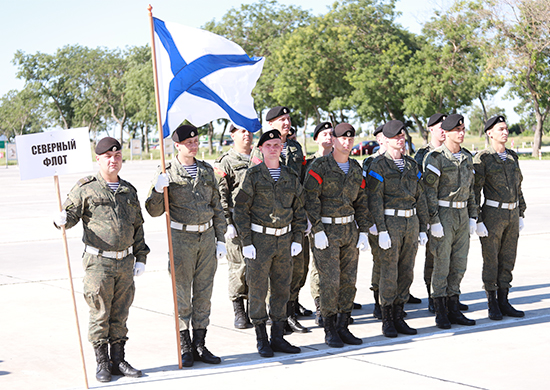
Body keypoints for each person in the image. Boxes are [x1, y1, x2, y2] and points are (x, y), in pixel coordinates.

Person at [54, 137, 149, 382]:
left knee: (121, 312)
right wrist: (61, 219)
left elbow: (137, 226)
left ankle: (118, 360)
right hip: (99, 262)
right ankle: (102, 363)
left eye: (117, 156)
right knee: (100, 312)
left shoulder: (129, 190)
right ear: (98, 159)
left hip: (126, 262)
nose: (113, 160)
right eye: (108, 156)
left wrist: (141, 256)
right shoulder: (86, 187)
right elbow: (71, 216)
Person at [146, 124, 226, 367]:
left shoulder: (205, 170)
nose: (193, 145)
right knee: (181, 294)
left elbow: (217, 206)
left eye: (196, 141)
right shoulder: (166, 170)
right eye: (188, 143)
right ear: (177, 146)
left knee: (204, 292)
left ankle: (200, 343)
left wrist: (221, 238)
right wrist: (159, 190)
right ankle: (185, 345)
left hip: (206, 236)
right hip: (181, 239)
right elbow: (153, 210)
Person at [233, 129, 307, 357]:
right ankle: (261, 339)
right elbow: (240, 210)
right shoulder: (252, 175)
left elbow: (299, 209)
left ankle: (278, 337)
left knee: (282, 290)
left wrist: (297, 237)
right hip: (259, 240)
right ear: (261, 149)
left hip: (284, 241)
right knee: (257, 290)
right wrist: (246, 241)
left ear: (282, 148)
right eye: (269, 145)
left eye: (277, 145)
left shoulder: (290, 176)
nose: (274, 148)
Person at [303, 123, 370, 348]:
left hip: (349, 230)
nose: (347, 142)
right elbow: (310, 199)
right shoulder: (320, 166)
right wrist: (318, 229)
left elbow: (361, 201)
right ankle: (330, 328)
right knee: (330, 282)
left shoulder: (355, 168)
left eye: (350, 139)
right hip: (327, 232)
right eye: (342, 138)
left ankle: (343, 326)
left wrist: (363, 229)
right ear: (333, 140)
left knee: (348, 281)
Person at [366, 121, 429, 337]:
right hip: (390, 223)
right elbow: (374, 200)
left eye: (402, 136)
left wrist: (423, 226)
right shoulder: (378, 165)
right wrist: (381, 229)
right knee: (388, 272)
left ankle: (399, 314)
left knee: (406, 271)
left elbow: (420, 198)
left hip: (410, 222)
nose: (400, 140)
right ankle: (387, 318)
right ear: (386, 140)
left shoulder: (411, 165)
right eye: (395, 137)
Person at [251, 105, 310, 332]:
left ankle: (290, 311)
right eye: (281, 119)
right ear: (270, 124)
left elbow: (302, 183)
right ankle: (276, 317)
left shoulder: (295, 148)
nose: (286, 122)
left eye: (288, 118)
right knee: (273, 272)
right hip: (270, 221)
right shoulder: (261, 150)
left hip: (294, 216)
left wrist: (304, 216)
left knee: (297, 268)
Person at [423, 114, 477, 329]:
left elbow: (471, 190)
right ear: (446, 133)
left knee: (459, 263)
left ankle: (454, 307)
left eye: (463, 129)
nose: (461, 133)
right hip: (443, 214)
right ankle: (441, 310)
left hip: (462, 214)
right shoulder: (436, 158)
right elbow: (429, 193)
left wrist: (473, 216)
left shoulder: (467, 157)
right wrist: (433, 220)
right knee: (441, 263)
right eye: (457, 130)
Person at [474, 115, 527, 320]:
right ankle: (492, 302)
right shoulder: (483, 158)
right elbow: (475, 190)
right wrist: (477, 218)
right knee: (491, 260)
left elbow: (518, 187)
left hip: (512, 214)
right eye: (500, 129)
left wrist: (520, 212)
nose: (505, 132)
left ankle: (504, 300)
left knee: (508, 259)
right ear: (490, 133)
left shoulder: (513, 157)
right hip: (492, 215)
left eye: (506, 129)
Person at [214, 124, 254, 329]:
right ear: (233, 135)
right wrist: (227, 222)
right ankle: (239, 311)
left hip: (260, 222)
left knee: (259, 269)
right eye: (242, 131)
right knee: (239, 267)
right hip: (237, 224)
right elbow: (221, 195)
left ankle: (255, 310)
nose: (247, 133)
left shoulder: (261, 158)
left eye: (248, 130)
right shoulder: (226, 162)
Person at [306, 121, 334, 326]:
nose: (328, 136)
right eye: (323, 133)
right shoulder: (308, 164)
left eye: (331, 133)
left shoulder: (340, 162)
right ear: (316, 139)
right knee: (318, 266)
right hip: (316, 222)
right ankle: (319, 307)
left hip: (339, 222)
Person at [363, 124, 386, 320]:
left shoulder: (401, 161)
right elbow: (367, 194)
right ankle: (378, 302)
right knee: (379, 260)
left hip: (398, 220)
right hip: (377, 220)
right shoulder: (370, 162)